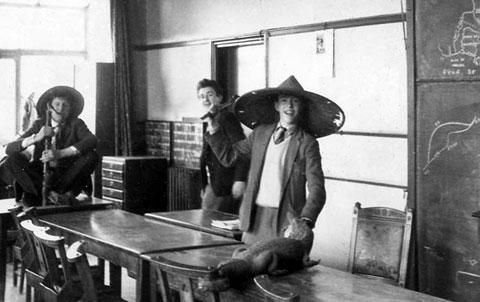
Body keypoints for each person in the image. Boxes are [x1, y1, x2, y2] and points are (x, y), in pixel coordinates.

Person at [204, 75, 344, 244]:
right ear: (277, 106)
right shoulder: (260, 133)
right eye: (284, 101)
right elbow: (229, 157)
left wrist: (305, 221)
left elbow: (317, 189)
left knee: (278, 267)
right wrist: (214, 130)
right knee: (247, 264)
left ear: (301, 106)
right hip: (253, 220)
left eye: (295, 101)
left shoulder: (307, 143)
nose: (289, 106)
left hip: (286, 223)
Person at [4, 86, 98, 207]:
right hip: (39, 176)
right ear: (49, 107)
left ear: (70, 109)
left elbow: (92, 140)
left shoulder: (76, 124)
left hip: (65, 176)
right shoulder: (39, 124)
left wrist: (61, 153)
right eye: (57, 104)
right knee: (12, 159)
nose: (61, 109)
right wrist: (36, 137)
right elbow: (9, 149)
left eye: (66, 106)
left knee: (92, 156)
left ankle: (53, 193)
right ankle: (52, 195)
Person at [197, 79, 249, 214]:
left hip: (227, 185)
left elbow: (241, 150)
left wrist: (240, 179)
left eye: (209, 94)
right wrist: (203, 185)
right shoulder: (209, 121)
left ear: (219, 97)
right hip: (214, 185)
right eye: (201, 96)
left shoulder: (227, 119)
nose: (205, 99)